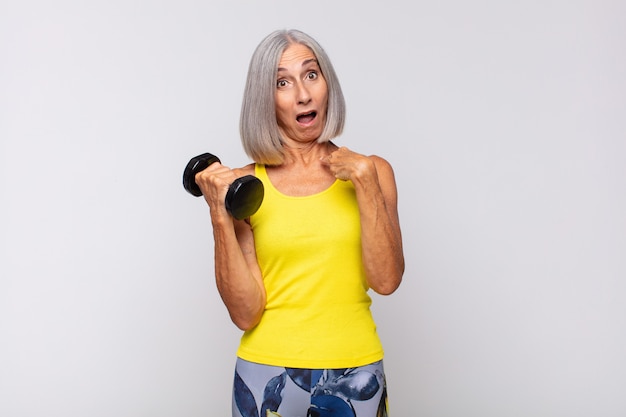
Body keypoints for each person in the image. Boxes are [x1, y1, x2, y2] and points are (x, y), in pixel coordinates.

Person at [194, 29, 404, 417]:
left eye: (311, 74)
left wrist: (365, 182)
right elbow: (246, 313)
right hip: (265, 369)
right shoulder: (246, 188)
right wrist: (218, 211)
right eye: (282, 82)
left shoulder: (372, 172)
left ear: (327, 84)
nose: (303, 94)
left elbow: (387, 280)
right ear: (265, 98)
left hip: (355, 369)